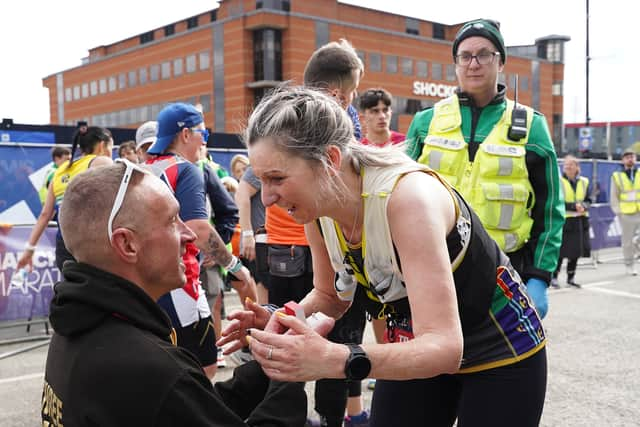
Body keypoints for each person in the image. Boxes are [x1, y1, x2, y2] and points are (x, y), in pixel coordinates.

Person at [219, 86, 547, 427]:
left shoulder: (407, 199)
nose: (267, 198)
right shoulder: (315, 209)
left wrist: (334, 358)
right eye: (261, 180)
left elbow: (446, 347)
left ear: (330, 160)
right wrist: (283, 317)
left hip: (498, 344)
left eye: (277, 178)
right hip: (418, 344)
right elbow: (330, 296)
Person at [42, 161, 312, 426]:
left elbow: (190, 408)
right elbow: (173, 395)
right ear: (127, 244)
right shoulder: (147, 368)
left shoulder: (75, 328)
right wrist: (289, 373)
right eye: (172, 220)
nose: (189, 234)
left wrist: (271, 361)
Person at [405, 19, 564, 319]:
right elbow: (396, 197)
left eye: (484, 54)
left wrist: (540, 276)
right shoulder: (425, 123)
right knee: (437, 363)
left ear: (500, 61)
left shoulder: (532, 126)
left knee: (506, 365)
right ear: (455, 64)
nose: (473, 63)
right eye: (465, 56)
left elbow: (550, 210)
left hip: (504, 274)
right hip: (434, 269)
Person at [146, 102, 255, 379]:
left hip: (145, 284)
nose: (203, 141)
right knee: (201, 368)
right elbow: (199, 228)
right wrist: (234, 266)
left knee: (163, 367)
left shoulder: (142, 169)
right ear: (185, 135)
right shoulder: (186, 170)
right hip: (180, 282)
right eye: (202, 134)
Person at [303, 38, 371, 427]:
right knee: (342, 334)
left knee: (327, 328)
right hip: (335, 248)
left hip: (314, 247)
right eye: (353, 91)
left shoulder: (288, 122)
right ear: (336, 94)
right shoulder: (342, 130)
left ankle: (330, 414)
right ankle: (334, 417)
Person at [18, 126, 113, 272]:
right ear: (102, 145)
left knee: (72, 293)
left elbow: (45, 214)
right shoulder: (101, 162)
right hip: (92, 244)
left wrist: (29, 249)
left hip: (64, 244)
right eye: (111, 147)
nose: (111, 152)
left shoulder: (59, 171)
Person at [552, 155, 591, 288]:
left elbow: (589, 200)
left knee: (575, 252)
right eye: (566, 165)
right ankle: (554, 277)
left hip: (580, 220)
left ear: (577, 167)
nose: (567, 167)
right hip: (564, 221)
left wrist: (584, 206)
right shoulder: (558, 180)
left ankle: (571, 277)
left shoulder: (584, 181)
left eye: (570, 164)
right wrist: (574, 206)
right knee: (560, 251)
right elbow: (556, 200)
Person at [610, 148, 640, 276]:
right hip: (626, 213)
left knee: (635, 240)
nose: (630, 159)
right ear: (623, 160)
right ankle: (629, 265)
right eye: (627, 157)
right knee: (627, 241)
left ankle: (637, 247)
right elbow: (614, 195)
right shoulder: (617, 176)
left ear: (636, 159)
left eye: (632, 156)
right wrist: (618, 212)